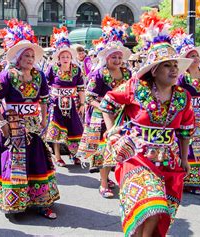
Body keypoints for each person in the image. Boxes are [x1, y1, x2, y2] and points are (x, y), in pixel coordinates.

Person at [100, 10, 194, 236]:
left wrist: (184, 157)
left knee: (160, 210)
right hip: (137, 156)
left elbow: (184, 131)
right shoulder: (135, 87)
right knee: (150, 203)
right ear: (154, 70)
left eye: (175, 65)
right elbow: (108, 102)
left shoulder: (183, 96)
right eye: (167, 65)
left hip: (168, 161)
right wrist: (112, 131)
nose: (173, 70)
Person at [0, 19, 59, 219]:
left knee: (38, 162)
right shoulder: (6, 76)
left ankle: (41, 202)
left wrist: (45, 119)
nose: (30, 59)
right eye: (26, 56)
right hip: (13, 128)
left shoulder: (40, 76)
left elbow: (45, 99)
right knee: (14, 164)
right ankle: (16, 203)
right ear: (18, 59)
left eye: (32, 56)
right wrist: (2, 122)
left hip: (34, 127)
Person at [77, 16, 132, 198]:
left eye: (119, 57)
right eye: (113, 57)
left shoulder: (127, 72)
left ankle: (121, 180)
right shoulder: (99, 74)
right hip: (102, 118)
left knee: (125, 149)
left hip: (123, 117)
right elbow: (89, 98)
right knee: (105, 151)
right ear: (106, 58)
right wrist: (105, 106)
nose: (117, 60)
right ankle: (103, 184)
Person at [172, 30, 200, 195]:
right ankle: (188, 180)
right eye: (191, 56)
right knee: (187, 146)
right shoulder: (182, 77)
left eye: (197, 55)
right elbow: (177, 94)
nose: (196, 58)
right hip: (187, 116)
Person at [44, 26, 85, 167]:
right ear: (59, 58)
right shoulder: (52, 68)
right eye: (63, 57)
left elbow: (80, 88)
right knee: (56, 129)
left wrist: (82, 104)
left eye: (67, 56)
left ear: (71, 57)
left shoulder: (77, 69)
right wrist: (48, 100)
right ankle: (57, 156)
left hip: (72, 103)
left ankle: (74, 155)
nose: (65, 58)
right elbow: (45, 84)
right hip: (55, 103)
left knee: (75, 128)